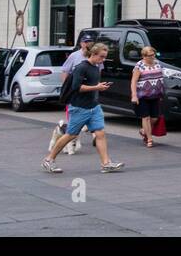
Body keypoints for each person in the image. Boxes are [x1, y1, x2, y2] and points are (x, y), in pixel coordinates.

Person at [42, 42, 123, 173]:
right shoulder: (81, 67)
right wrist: (97, 87)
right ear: (93, 54)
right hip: (79, 107)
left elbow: (92, 84)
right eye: (101, 57)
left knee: (100, 133)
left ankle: (106, 163)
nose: (103, 60)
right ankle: (48, 160)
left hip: (94, 107)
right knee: (70, 135)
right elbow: (77, 87)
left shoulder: (96, 67)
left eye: (104, 57)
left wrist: (99, 85)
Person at [57, 34, 95, 153]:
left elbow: (99, 71)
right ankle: (69, 139)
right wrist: (66, 88)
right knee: (74, 117)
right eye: (86, 41)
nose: (88, 43)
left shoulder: (96, 55)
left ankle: (95, 135)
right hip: (75, 91)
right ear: (81, 43)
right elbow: (65, 71)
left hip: (91, 90)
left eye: (90, 41)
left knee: (93, 112)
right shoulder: (74, 56)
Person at [130, 45, 165, 148]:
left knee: (154, 118)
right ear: (144, 56)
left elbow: (161, 78)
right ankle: (149, 139)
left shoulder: (158, 63)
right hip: (142, 96)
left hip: (155, 95)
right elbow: (133, 81)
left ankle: (144, 131)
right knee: (146, 118)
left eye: (153, 54)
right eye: (150, 55)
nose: (152, 57)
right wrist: (134, 95)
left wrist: (161, 92)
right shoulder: (139, 66)